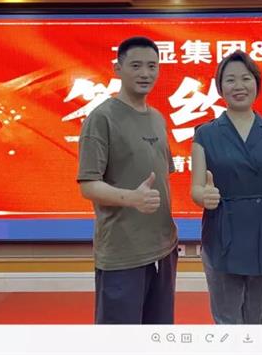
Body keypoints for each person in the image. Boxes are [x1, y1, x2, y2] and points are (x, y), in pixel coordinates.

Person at [77, 36, 178, 324]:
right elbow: (88, 185)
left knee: (158, 335)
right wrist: (131, 198)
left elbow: (162, 177)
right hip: (123, 252)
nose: (145, 73)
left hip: (164, 248)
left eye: (152, 66)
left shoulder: (157, 118)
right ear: (117, 69)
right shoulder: (101, 118)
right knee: (121, 339)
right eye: (136, 65)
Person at [190, 50, 262, 324]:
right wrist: (204, 196)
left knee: (258, 318)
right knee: (227, 318)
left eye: (246, 79)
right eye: (230, 80)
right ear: (220, 87)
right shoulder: (205, 133)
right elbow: (196, 189)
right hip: (222, 231)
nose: (239, 86)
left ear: (256, 83)